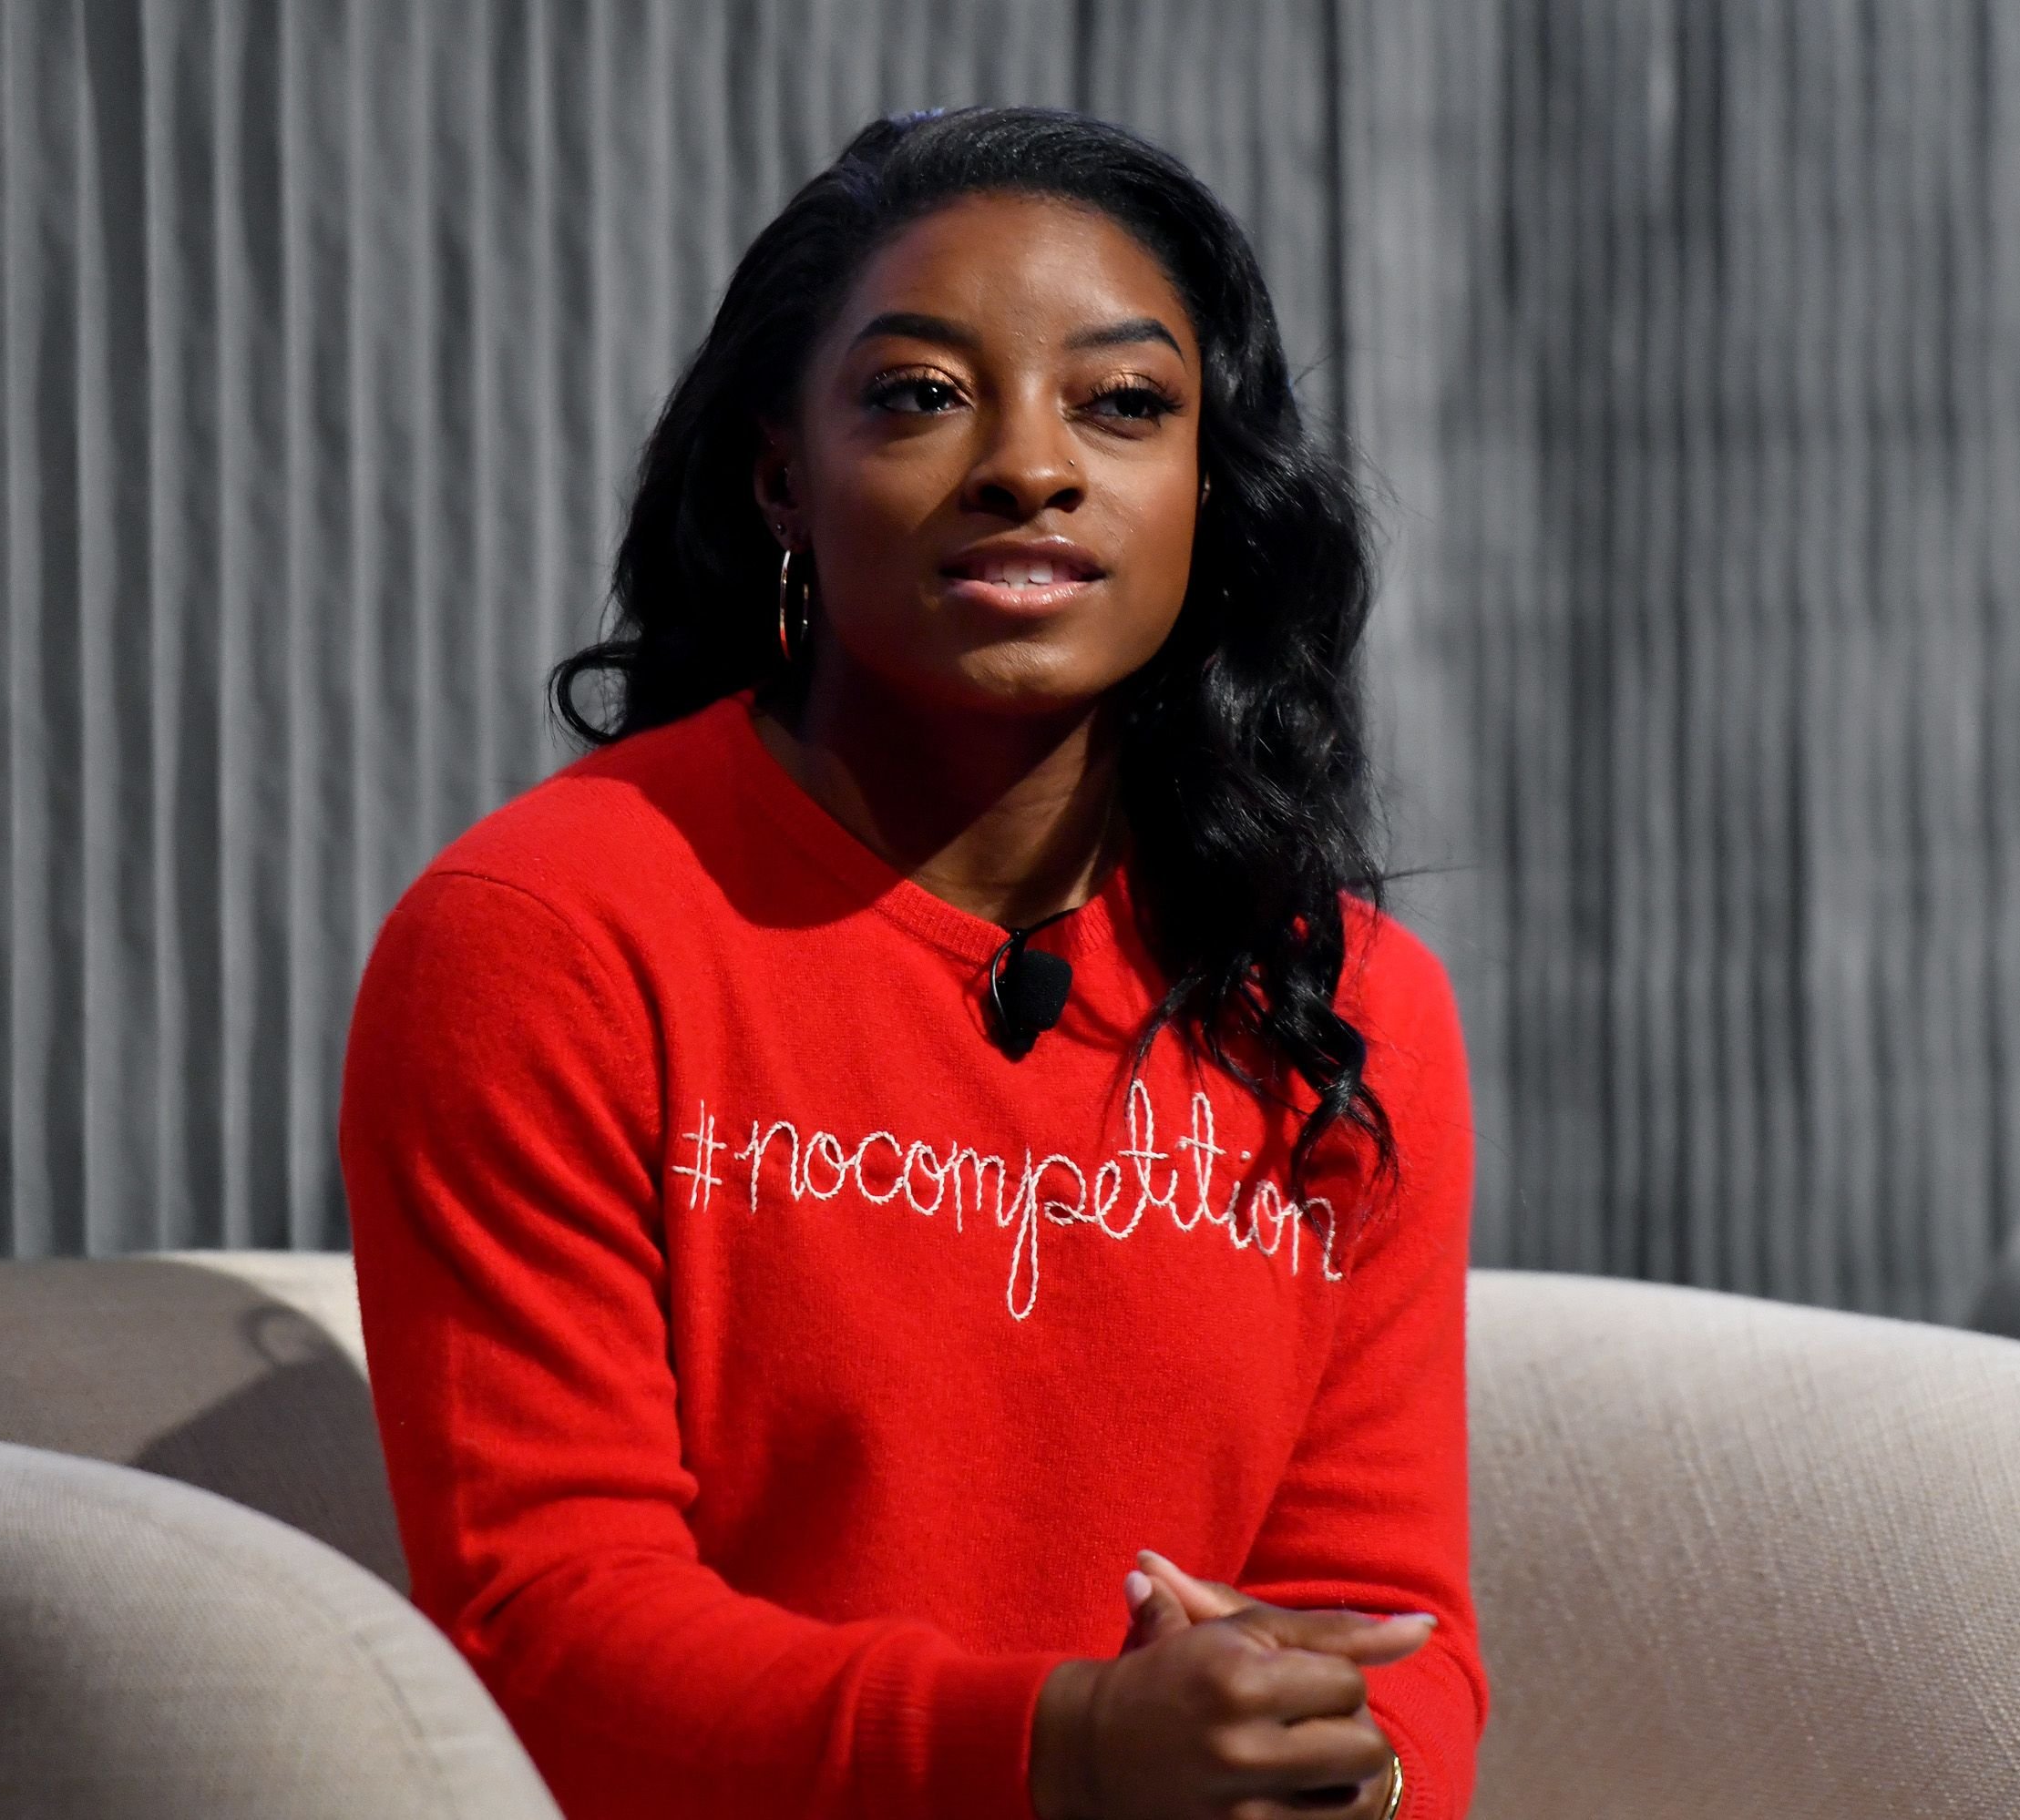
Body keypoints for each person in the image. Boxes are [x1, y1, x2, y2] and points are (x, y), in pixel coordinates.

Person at [339, 104, 1485, 1820]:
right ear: (779, 472)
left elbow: (1399, 1628)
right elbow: (544, 1640)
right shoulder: (544, 938)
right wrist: (1067, 1744)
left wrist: (1332, 1766)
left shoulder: (1350, 1004)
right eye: (920, 394)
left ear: (1207, 486)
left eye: (1125, 402)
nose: (1033, 463)